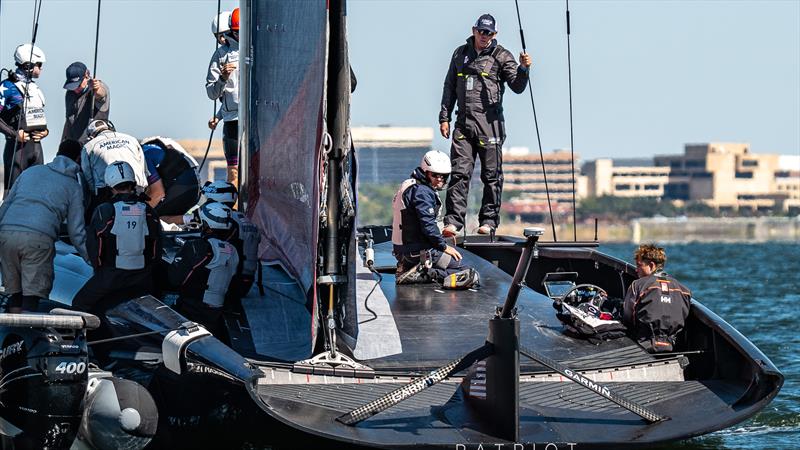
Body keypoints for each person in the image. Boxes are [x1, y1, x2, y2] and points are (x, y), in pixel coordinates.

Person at [439, 14, 532, 236]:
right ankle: (453, 223)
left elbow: (518, 86)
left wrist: (523, 69)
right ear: (474, 30)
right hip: (463, 124)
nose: (484, 36)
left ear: (494, 35)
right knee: (460, 173)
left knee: (491, 176)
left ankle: (488, 221)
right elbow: (449, 86)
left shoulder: (502, 56)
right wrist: (444, 117)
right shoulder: (460, 54)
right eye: (481, 31)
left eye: (489, 33)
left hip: (490, 126)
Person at [0, 140, 90, 313]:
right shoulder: (73, 187)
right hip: (38, 240)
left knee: (15, 293)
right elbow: (76, 231)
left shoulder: (31, 172)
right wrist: (90, 258)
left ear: (57, 154)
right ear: (78, 159)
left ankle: (12, 335)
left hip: (7, 235)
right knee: (32, 296)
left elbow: (6, 205)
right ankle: (27, 334)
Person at [72, 161, 160, 314]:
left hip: (112, 275)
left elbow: (95, 245)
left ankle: (91, 337)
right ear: (132, 182)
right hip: (143, 277)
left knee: (79, 304)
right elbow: (157, 243)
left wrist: (100, 270)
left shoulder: (105, 210)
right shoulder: (148, 210)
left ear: (109, 184)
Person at [392, 150, 478, 288]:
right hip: (418, 252)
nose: (440, 179)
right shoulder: (423, 192)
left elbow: (415, 222)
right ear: (426, 172)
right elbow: (427, 226)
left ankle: (409, 268)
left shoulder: (411, 185)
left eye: (443, 176)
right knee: (467, 270)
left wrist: (441, 231)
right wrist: (444, 247)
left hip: (403, 252)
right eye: (435, 175)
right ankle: (425, 274)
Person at [168, 202, 239, 339]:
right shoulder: (233, 250)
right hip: (218, 308)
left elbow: (174, 279)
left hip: (193, 309)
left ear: (206, 225)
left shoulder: (198, 246)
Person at [622, 244, 692, 352]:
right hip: (673, 346)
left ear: (651, 265)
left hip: (643, 345)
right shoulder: (684, 290)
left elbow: (628, 317)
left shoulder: (638, 285)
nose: (636, 270)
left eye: (639, 265)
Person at [199, 180, 261, 299]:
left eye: (210, 201)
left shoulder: (226, 221)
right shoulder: (245, 220)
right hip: (246, 282)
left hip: (231, 284)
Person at [1, 44, 48, 195]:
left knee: (38, 193)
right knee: (13, 195)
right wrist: (15, 135)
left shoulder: (34, 88)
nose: (41, 68)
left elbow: (38, 117)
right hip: (17, 150)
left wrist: (45, 131)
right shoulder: (7, 87)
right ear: (28, 65)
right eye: (39, 65)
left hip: (36, 148)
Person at [80, 119, 148, 211]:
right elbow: (143, 170)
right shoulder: (132, 139)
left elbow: (88, 179)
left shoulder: (88, 147)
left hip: (106, 193)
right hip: (136, 188)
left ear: (91, 136)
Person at [206, 7, 240, 185]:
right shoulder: (220, 56)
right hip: (232, 122)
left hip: (258, 122)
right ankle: (235, 211)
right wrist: (222, 78)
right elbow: (213, 93)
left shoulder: (256, 51)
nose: (221, 40)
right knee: (233, 173)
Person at [140, 136, 200, 217]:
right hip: (195, 186)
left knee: (152, 217)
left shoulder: (144, 153)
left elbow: (158, 193)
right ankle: (191, 219)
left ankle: (191, 219)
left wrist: (137, 215)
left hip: (183, 187)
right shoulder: (153, 148)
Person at [61, 61, 110, 145]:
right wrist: (62, 145)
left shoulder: (98, 87)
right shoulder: (70, 93)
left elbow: (101, 94)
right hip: (75, 147)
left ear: (86, 76)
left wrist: (96, 89)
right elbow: (68, 121)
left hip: (96, 145)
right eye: (72, 86)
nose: (75, 89)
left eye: (78, 85)